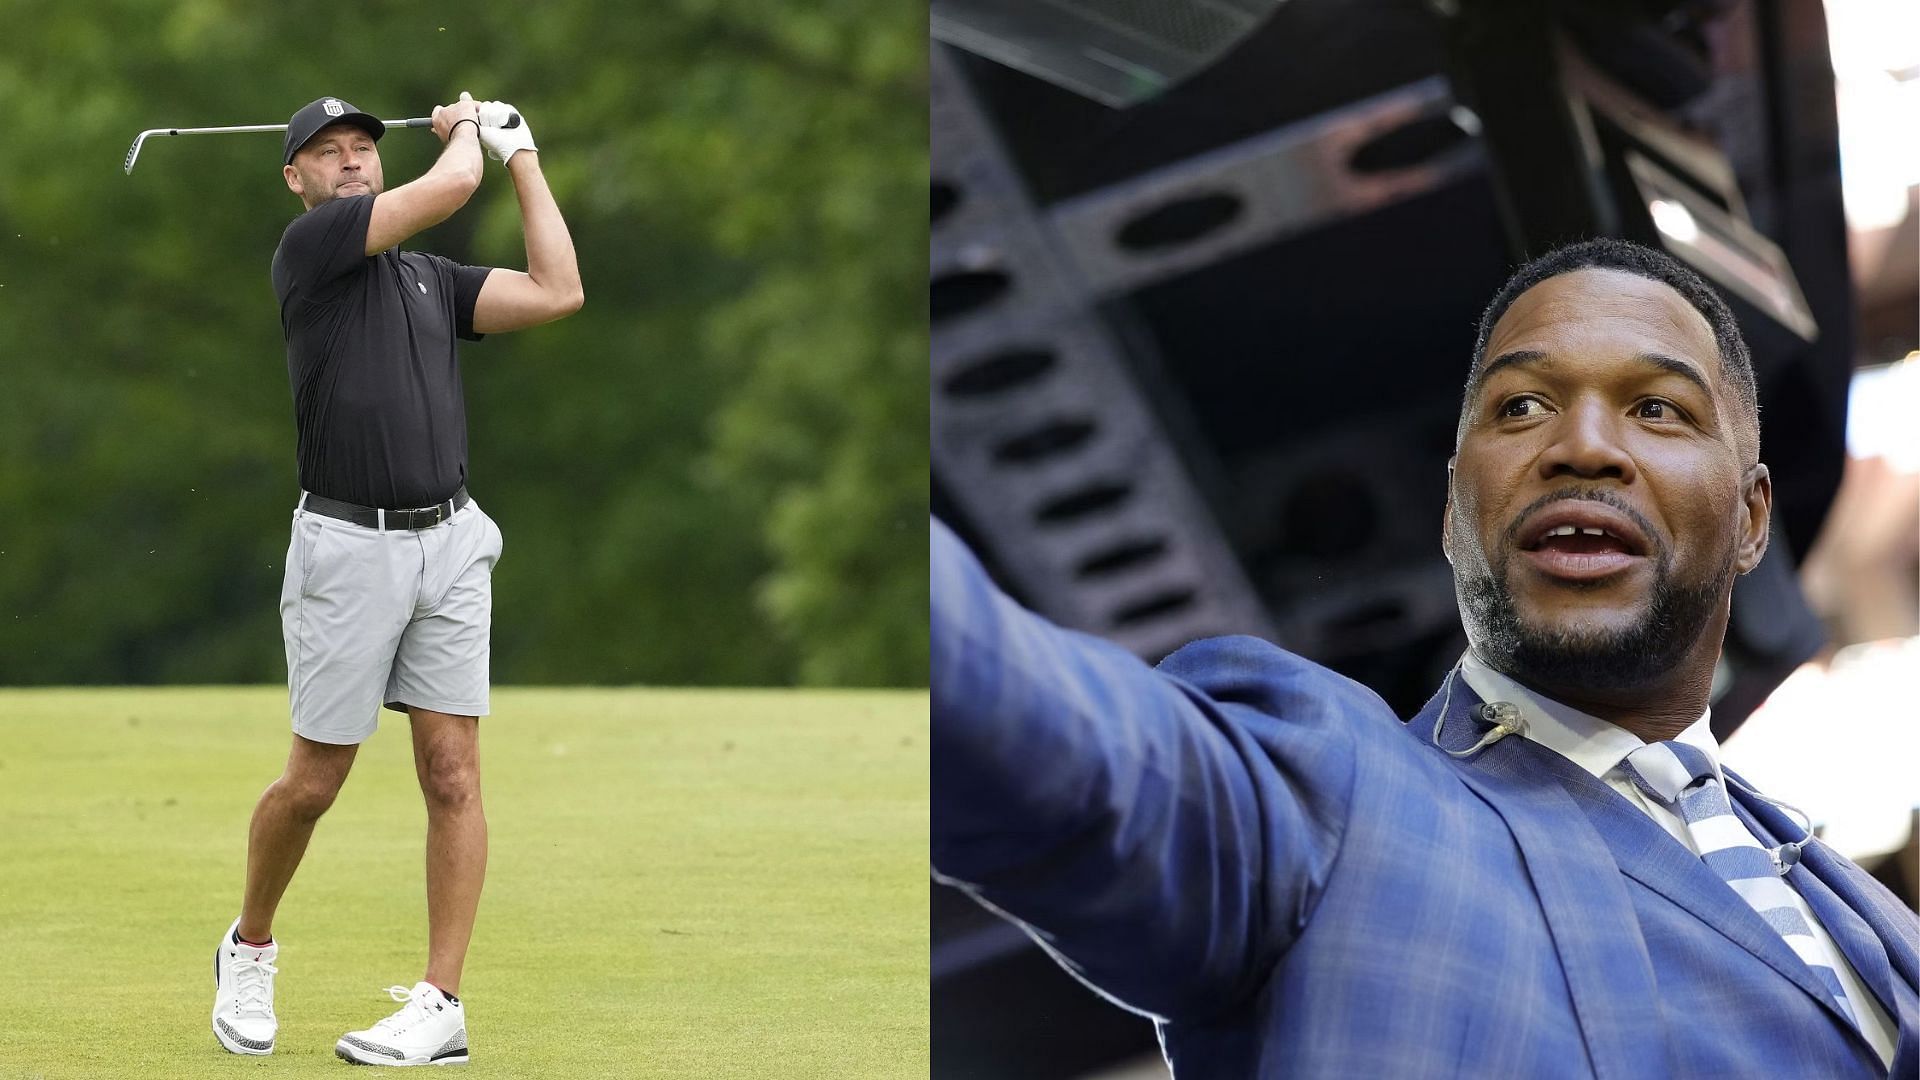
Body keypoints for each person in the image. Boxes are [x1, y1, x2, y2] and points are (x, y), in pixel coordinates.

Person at [932, 239, 1916, 1077]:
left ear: (1750, 519)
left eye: (1657, 410)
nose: (1581, 446)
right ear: (1454, 514)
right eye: (1522, 408)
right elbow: (1026, 720)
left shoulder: (1874, 919)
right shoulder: (1322, 794)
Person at [209, 92, 582, 1067]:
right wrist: (468, 131)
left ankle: (441, 1004)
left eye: (362, 150)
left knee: (452, 774)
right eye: (326, 154)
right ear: (295, 179)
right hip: (348, 547)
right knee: (315, 781)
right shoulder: (315, 254)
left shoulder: (428, 279)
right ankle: (250, 946)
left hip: (452, 541)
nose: (350, 164)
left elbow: (556, 291)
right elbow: (452, 182)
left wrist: (525, 156)